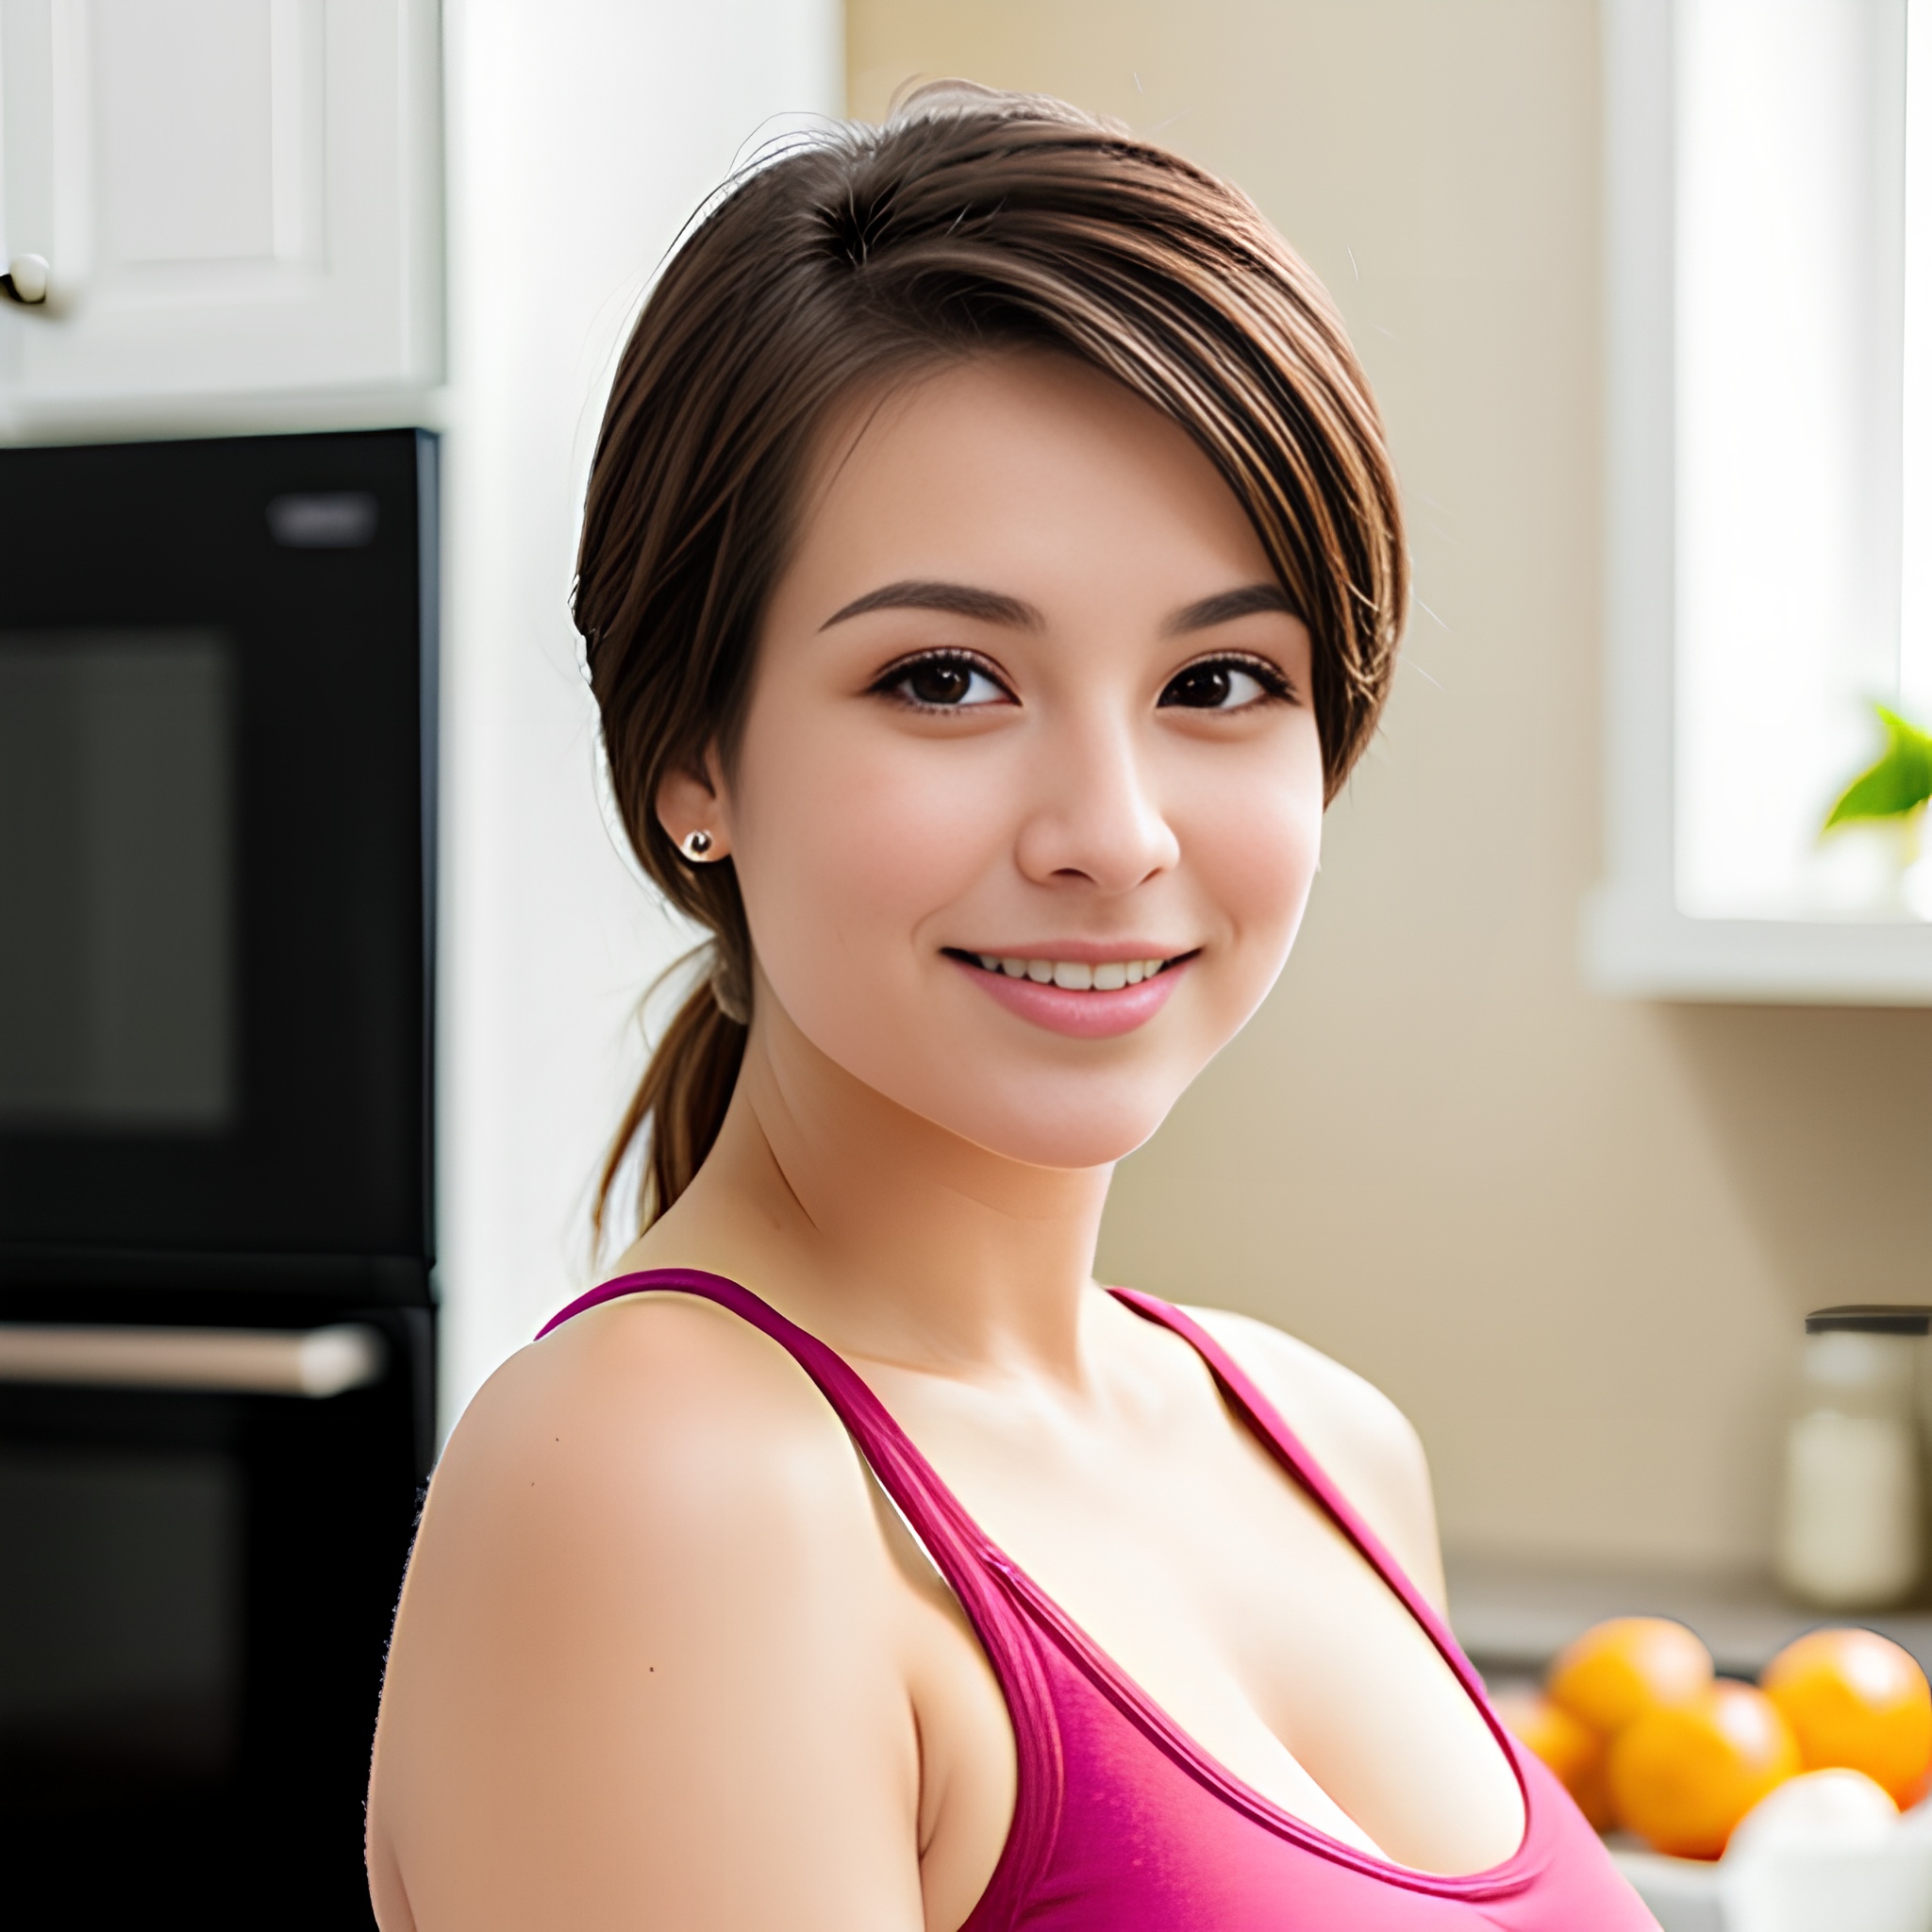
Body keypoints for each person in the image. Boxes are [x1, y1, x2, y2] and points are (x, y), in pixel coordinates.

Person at [366, 86, 1652, 1930]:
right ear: (692, 752)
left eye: (1219, 677)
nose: (1112, 835)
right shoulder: (667, 1489)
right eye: (947, 677)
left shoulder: (1328, 1444)